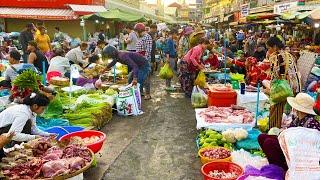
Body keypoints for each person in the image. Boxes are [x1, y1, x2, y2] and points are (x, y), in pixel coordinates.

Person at [258, 93, 320, 171]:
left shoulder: (312, 124)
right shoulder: (297, 119)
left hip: (298, 155)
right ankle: (276, 163)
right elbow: (288, 132)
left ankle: (282, 168)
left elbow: (310, 147)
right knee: (262, 137)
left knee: (269, 143)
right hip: (290, 146)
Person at [266, 36, 301, 128]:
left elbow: (276, 74)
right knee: (288, 111)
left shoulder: (276, 56)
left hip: (283, 87)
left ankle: (273, 131)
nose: (268, 50)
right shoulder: (289, 54)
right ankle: (283, 129)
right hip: (293, 86)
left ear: (274, 46)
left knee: (276, 110)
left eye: (269, 48)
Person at [135, 23, 153, 100]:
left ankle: (148, 94)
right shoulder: (140, 37)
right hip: (139, 60)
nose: (135, 33)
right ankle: (141, 92)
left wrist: (143, 61)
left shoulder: (147, 37)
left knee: (146, 78)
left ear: (139, 30)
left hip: (144, 61)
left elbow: (148, 51)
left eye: (136, 31)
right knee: (140, 77)